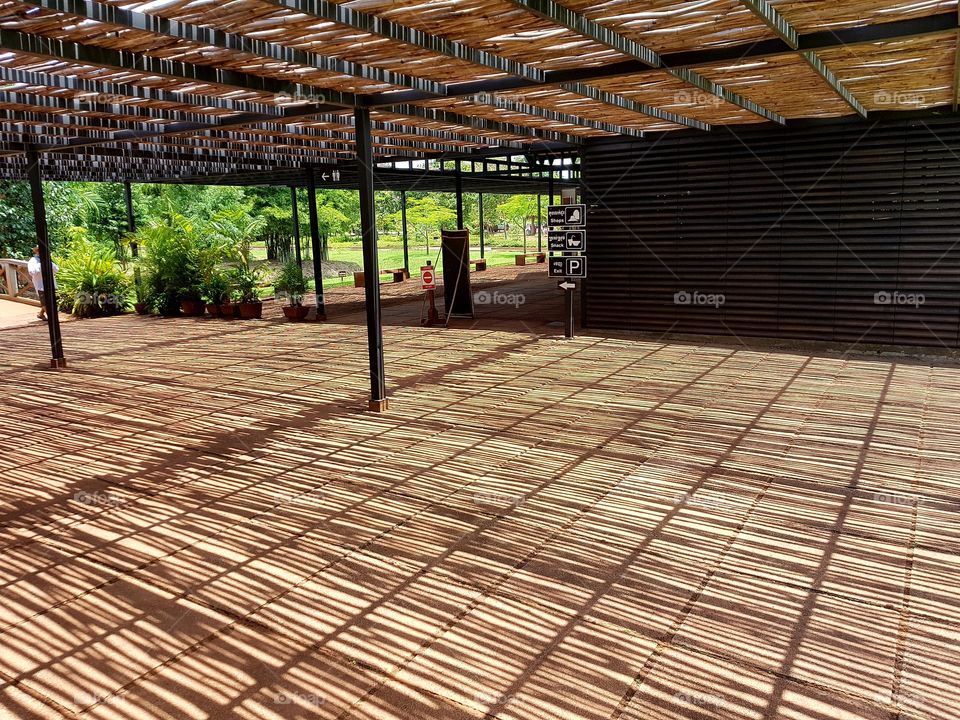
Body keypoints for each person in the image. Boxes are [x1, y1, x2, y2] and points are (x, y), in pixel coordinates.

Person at [27, 246, 58, 322]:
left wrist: (48, 263)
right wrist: (41, 265)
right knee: (44, 302)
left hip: (51, 284)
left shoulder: (48, 260)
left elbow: (56, 269)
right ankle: (52, 319)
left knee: (51, 300)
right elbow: (31, 272)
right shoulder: (33, 261)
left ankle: (41, 314)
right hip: (40, 285)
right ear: (37, 252)